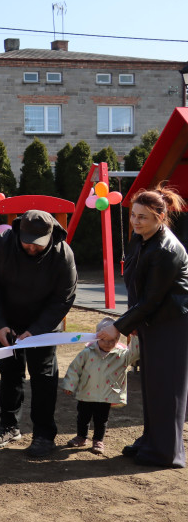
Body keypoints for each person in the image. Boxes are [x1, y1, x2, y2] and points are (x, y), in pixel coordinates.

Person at [98, 185, 188, 468]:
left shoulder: (166, 249)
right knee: (152, 385)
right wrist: (133, 321)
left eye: (143, 217)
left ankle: (166, 452)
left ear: (160, 217)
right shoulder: (142, 239)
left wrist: (119, 327)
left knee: (168, 387)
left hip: (172, 325)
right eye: (134, 215)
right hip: (152, 321)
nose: (136, 222)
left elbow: (152, 299)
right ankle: (152, 441)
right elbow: (139, 290)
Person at [0, 209, 77, 458]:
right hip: (8, 322)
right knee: (10, 372)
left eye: (38, 244)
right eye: (27, 242)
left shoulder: (63, 254)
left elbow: (63, 298)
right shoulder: (3, 245)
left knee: (44, 377)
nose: (31, 248)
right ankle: (9, 425)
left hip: (43, 325)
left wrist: (36, 331)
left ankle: (44, 434)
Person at [61, 318, 139, 456]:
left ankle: (98, 440)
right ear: (97, 337)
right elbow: (75, 369)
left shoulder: (121, 355)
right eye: (104, 340)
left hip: (106, 395)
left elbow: (135, 354)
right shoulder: (87, 353)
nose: (108, 344)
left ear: (118, 339)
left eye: (113, 340)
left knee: (101, 419)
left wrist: (135, 337)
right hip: (87, 392)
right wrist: (70, 385)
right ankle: (81, 437)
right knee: (83, 417)